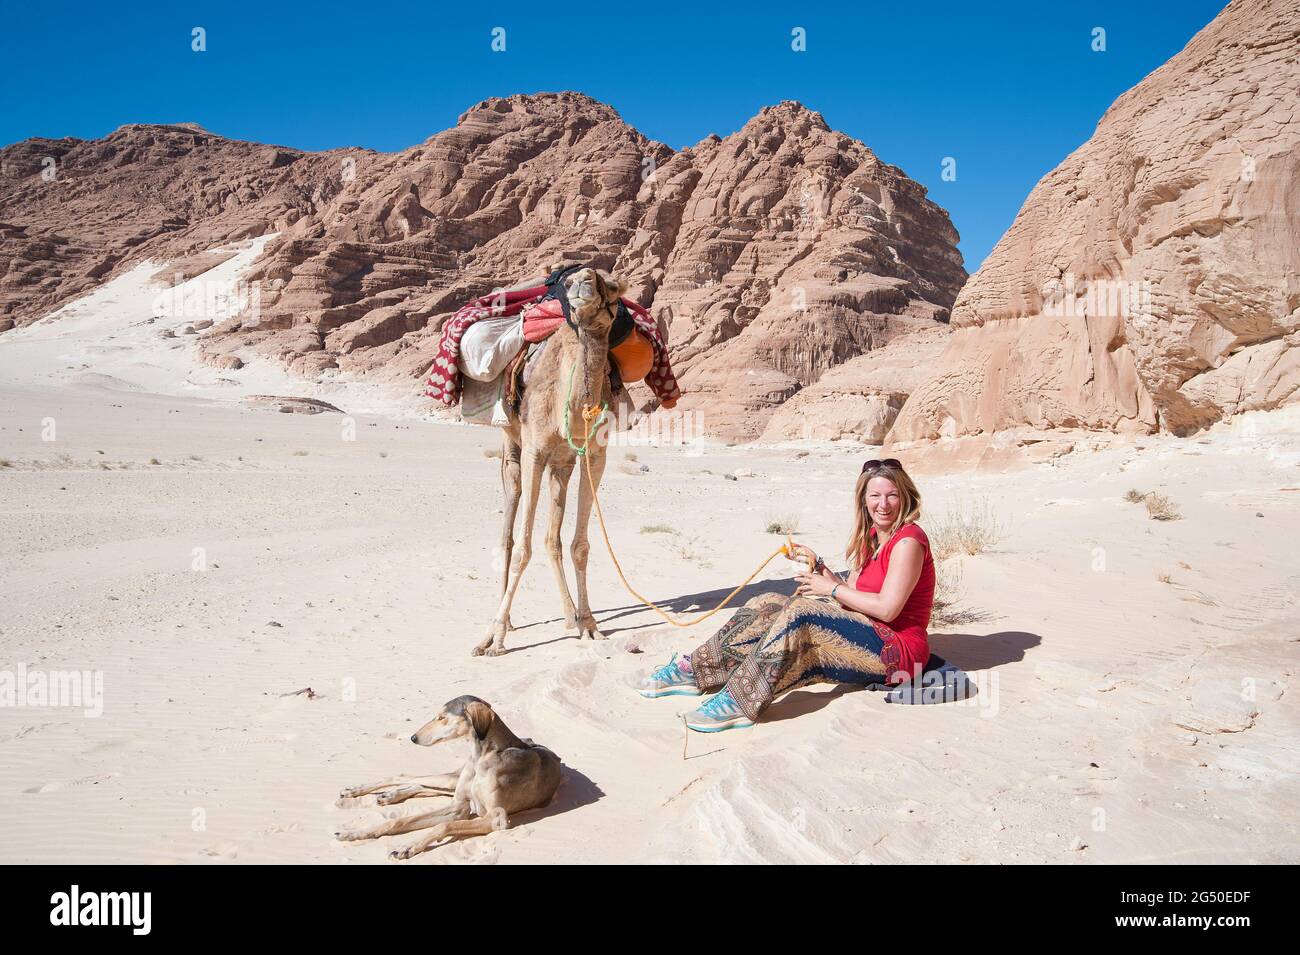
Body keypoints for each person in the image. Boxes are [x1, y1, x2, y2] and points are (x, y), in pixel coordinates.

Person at [637, 459, 936, 732]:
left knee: (802, 612)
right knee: (767, 602)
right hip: (869, 628)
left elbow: (887, 609)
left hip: (899, 650)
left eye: (892, 495)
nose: (883, 504)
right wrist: (820, 569)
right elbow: (851, 598)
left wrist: (829, 588)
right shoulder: (872, 538)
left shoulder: (908, 540)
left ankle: (739, 700)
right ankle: (697, 670)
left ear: (905, 497)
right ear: (863, 500)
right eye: (875, 496)